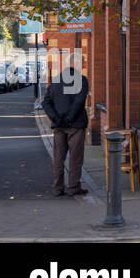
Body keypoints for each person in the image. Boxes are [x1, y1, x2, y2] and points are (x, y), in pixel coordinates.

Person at [40, 57, 90, 197]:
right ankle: (73, 187)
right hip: (76, 125)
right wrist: (69, 118)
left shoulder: (55, 81)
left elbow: (46, 102)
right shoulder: (82, 80)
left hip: (59, 126)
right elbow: (79, 102)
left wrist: (55, 117)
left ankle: (57, 188)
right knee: (75, 158)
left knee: (58, 157)